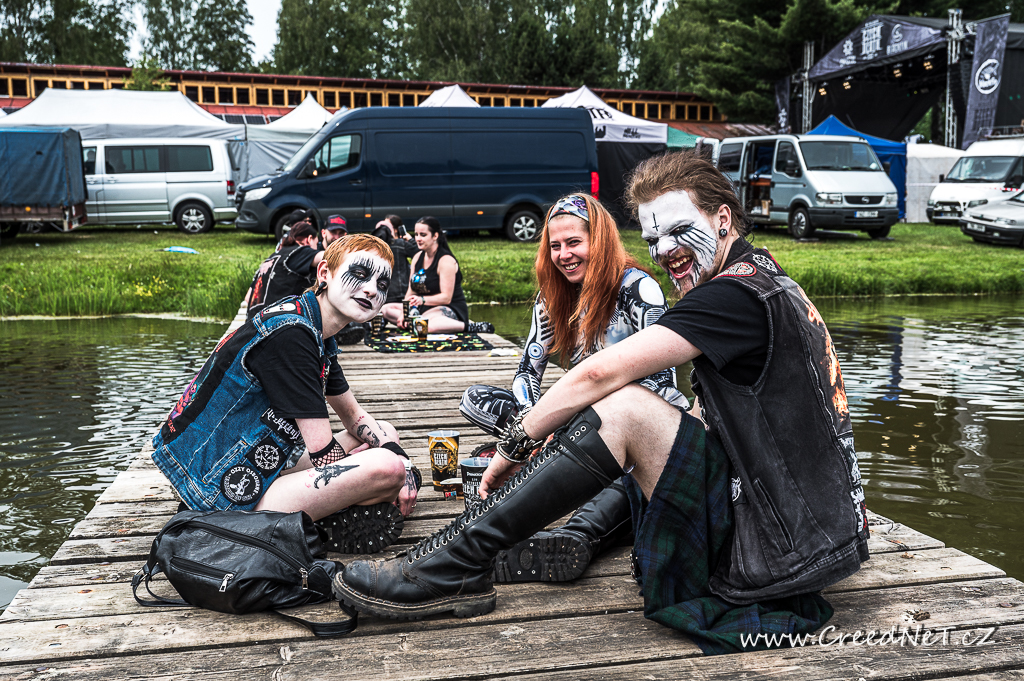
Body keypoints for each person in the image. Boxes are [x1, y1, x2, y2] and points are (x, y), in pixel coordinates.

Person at [334, 152, 868, 654]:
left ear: (722, 219)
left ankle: (453, 565)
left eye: (677, 230)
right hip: (808, 528)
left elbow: (600, 373)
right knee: (625, 419)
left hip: (781, 545)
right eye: (653, 238)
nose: (664, 251)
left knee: (624, 405)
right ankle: (492, 549)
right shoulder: (762, 275)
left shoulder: (731, 295)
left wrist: (514, 448)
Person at [459, 193, 687, 584]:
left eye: (574, 242)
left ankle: (576, 534)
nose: (564, 255)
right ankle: (551, 457)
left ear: (599, 241)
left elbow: (661, 382)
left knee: (630, 468)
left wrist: (564, 423)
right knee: (476, 399)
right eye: (555, 246)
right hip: (578, 419)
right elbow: (526, 373)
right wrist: (535, 425)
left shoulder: (638, 288)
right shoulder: (553, 296)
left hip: (640, 422)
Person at [153, 235, 420, 553]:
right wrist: (393, 473)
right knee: (386, 469)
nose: (372, 289)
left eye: (382, 283)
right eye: (360, 274)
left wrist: (404, 462)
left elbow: (354, 417)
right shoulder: (293, 334)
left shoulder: (315, 329)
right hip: (218, 496)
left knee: (384, 435)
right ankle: (314, 524)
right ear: (324, 273)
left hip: (251, 463)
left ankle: (326, 514)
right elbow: (324, 454)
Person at [380, 216, 493, 334]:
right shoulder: (417, 258)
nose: (418, 239)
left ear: (435, 236)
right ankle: (413, 323)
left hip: (448, 308)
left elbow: (446, 298)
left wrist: (422, 300)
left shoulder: (446, 260)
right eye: (416, 234)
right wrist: (405, 311)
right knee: (386, 309)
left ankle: (468, 327)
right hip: (422, 308)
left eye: (423, 235)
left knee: (425, 324)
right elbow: (411, 291)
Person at [245, 218, 323, 320]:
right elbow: (326, 256)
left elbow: (248, 298)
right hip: (274, 324)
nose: (316, 248)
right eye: (316, 243)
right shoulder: (301, 252)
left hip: (252, 323)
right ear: (308, 239)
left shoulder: (272, 257)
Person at [371, 215, 419, 305]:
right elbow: (419, 253)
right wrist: (410, 240)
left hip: (380, 293)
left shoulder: (373, 247)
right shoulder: (401, 244)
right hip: (400, 293)